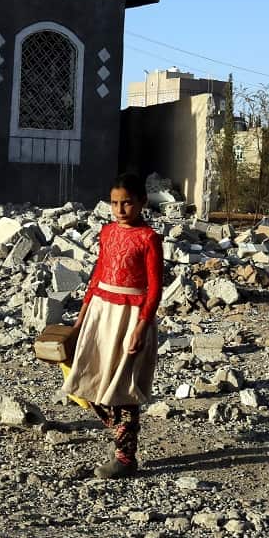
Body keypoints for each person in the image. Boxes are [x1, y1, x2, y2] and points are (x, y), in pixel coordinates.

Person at [63, 172, 164, 478]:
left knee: (123, 387)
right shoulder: (107, 232)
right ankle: (120, 432)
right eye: (115, 203)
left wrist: (141, 327)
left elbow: (155, 288)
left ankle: (124, 456)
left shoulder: (149, 238)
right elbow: (97, 276)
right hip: (100, 311)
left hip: (131, 315)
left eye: (128, 203)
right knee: (89, 377)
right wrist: (82, 316)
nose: (120, 210)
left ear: (142, 203)